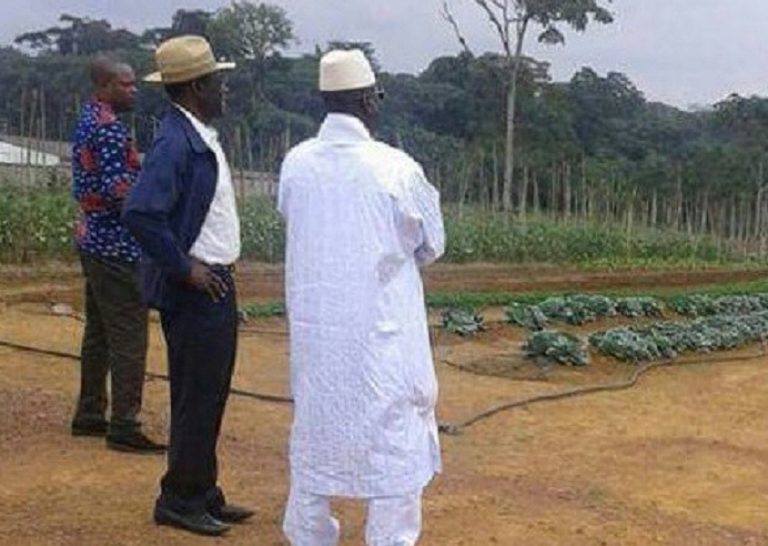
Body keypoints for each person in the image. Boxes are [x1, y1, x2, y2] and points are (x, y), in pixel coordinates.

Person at [278, 49, 446, 546]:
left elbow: (294, 218)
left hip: (317, 332)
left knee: (316, 426)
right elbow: (431, 244)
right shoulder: (395, 168)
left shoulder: (296, 162)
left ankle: (310, 535)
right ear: (369, 100)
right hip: (381, 335)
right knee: (392, 436)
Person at [122, 35, 253, 537]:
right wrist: (186, 268)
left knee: (209, 393)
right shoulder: (176, 142)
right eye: (218, 82)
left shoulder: (195, 133)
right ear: (199, 86)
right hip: (197, 289)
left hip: (214, 284)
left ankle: (202, 491)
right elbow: (140, 213)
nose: (225, 90)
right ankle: (178, 498)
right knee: (197, 396)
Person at [70, 56, 165, 454]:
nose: (133, 90)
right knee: (129, 332)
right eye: (125, 85)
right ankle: (125, 423)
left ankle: (90, 412)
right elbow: (116, 190)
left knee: (99, 331)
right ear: (104, 86)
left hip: (90, 238)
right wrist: (152, 194)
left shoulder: (87, 119)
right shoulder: (109, 130)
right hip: (114, 244)